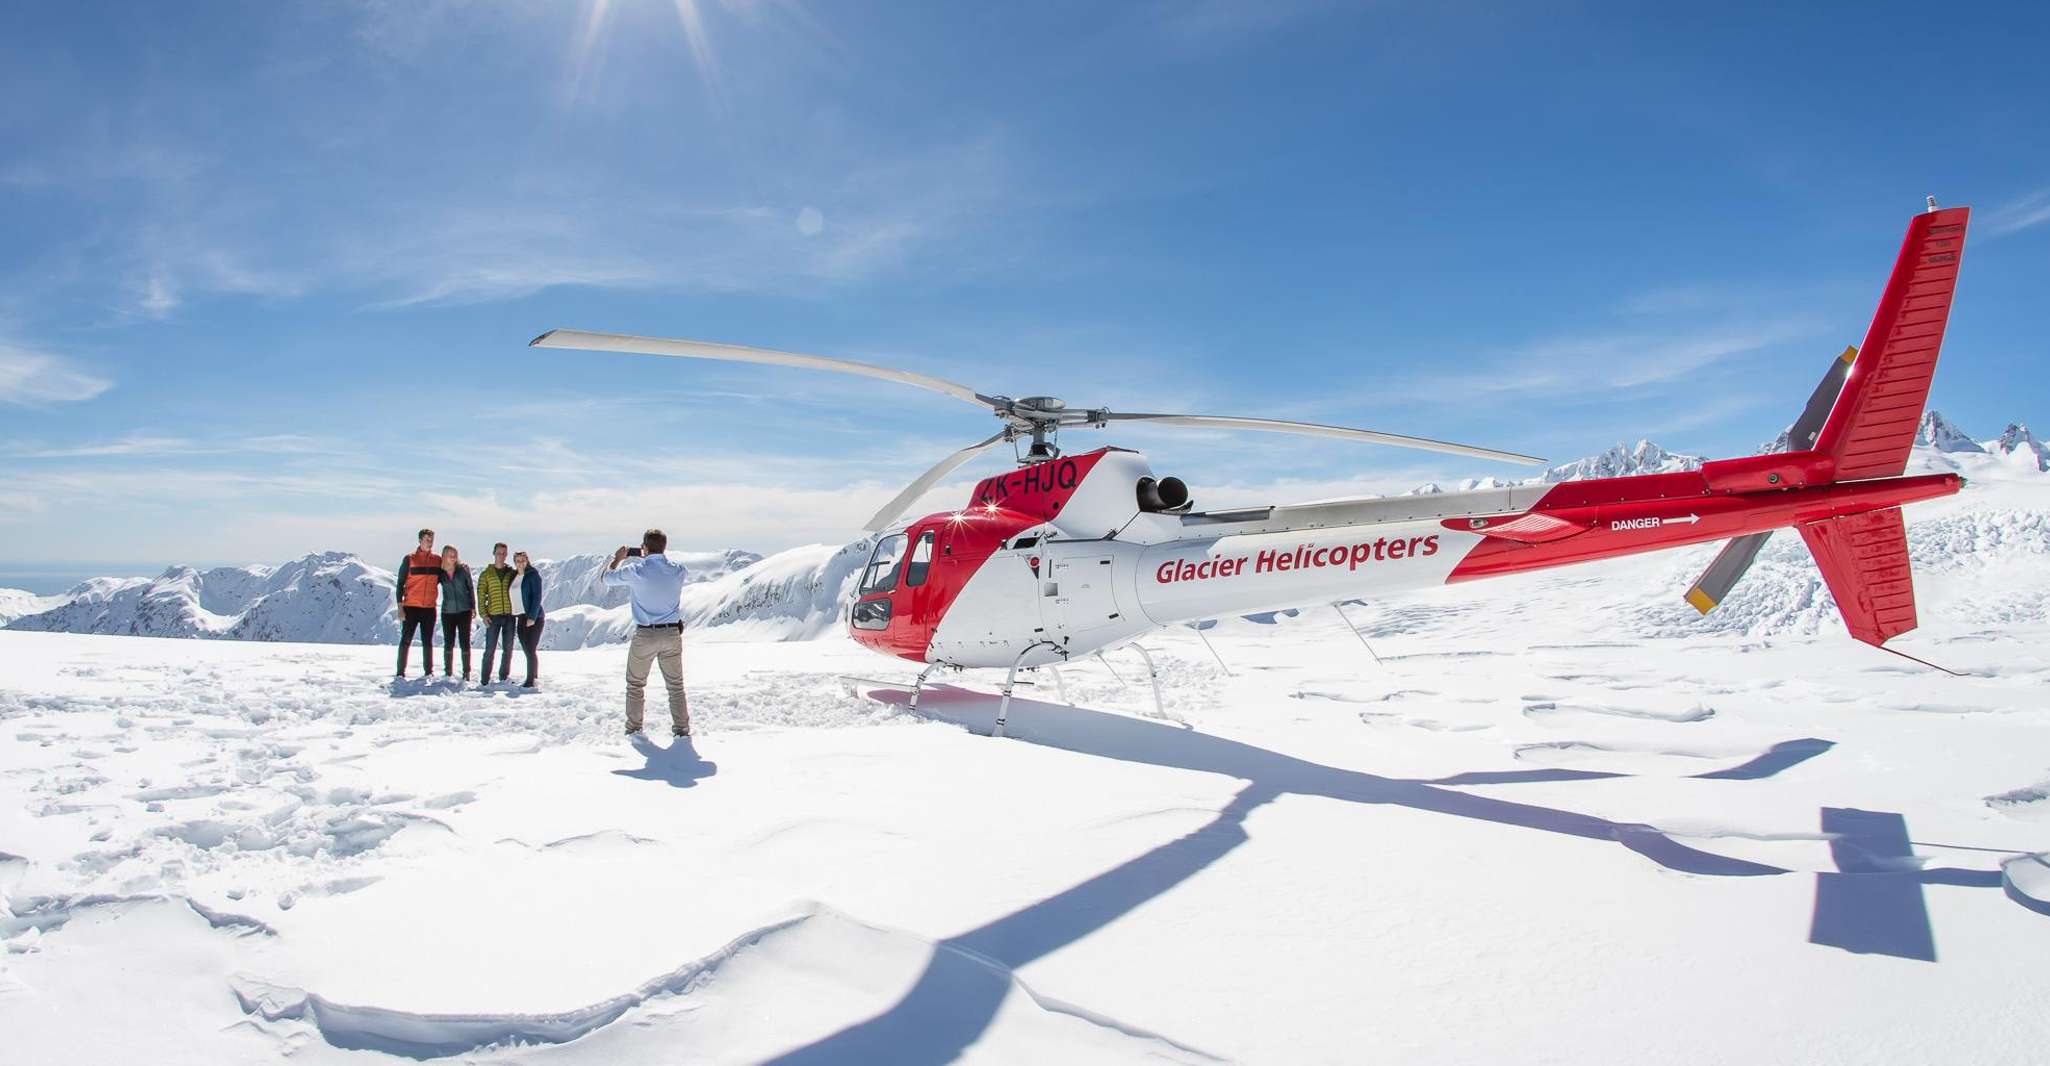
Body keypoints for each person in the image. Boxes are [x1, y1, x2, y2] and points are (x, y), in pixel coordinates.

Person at [602, 528, 692, 736]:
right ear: (664, 547)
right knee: (675, 686)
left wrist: (617, 560)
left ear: (644, 547)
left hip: (646, 634)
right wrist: (652, 554)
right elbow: (674, 569)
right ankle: (682, 729)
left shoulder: (636, 571)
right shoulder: (678, 571)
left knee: (635, 685)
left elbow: (606, 578)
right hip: (671, 634)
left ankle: (634, 729)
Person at [394, 528, 441, 677]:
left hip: (429, 608)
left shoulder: (437, 560)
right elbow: (400, 583)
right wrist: (400, 607)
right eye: (427, 539)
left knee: (428, 642)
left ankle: (428, 673)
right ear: (420, 540)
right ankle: (400, 673)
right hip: (411, 607)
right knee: (406, 640)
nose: (430, 542)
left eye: (431, 540)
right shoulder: (409, 559)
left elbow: (448, 573)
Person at [475, 542, 517, 685]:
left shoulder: (511, 573)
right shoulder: (486, 574)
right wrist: (484, 614)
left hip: (510, 616)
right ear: (494, 554)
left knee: (508, 649)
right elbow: (481, 595)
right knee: (489, 650)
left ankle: (504, 677)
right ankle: (485, 679)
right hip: (493, 616)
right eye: (499, 553)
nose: (501, 556)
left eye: (504, 553)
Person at [438, 545, 475, 681]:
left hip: (464, 610)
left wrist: (473, 607)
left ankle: (466, 673)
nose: (453, 558)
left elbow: (470, 587)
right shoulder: (440, 573)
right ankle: (448, 672)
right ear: (444, 556)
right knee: (448, 642)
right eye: (450, 555)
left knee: (464, 641)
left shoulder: (463, 570)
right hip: (447, 611)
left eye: (455, 555)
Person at [511, 550, 546, 688]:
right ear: (515, 562)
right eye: (518, 561)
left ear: (527, 561)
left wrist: (532, 616)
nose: (520, 563)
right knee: (526, 648)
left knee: (530, 649)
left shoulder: (532, 575)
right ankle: (533, 676)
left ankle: (530, 680)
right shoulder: (514, 576)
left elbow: (537, 596)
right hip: (520, 616)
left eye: (523, 560)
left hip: (534, 617)